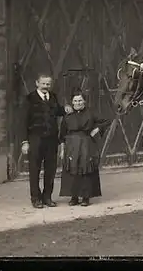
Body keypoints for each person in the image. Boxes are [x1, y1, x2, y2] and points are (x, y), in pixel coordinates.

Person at [20, 73, 73, 209]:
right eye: (43, 83)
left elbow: (57, 111)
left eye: (48, 84)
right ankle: (36, 198)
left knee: (51, 169)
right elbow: (22, 121)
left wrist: (65, 108)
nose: (45, 86)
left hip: (51, 140)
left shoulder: (53, 97)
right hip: (35, 139)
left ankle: (47, 197)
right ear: (37, 83)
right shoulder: (29, 99)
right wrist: (24, 141)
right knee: (34, 169)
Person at [59, 89, 111, 206]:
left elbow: (106, 121)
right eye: (75, 101)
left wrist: (96, 129)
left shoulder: (91, 113)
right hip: (71, 146)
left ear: (84, 101)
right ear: (72, 102)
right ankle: (74, 197)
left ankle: (86, 197)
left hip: (86, 145)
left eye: (80, 100)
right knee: (72, 170)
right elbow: (62, 135)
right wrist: (62, 150)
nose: (78, 103)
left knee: (86, 169)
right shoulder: (67, 117)